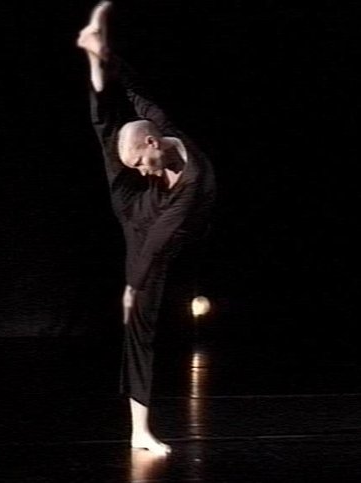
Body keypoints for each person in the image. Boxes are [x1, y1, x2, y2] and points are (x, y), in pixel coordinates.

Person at [76, 1, 216, 455]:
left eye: (141, 161)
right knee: (105, 127)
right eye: (136, 165)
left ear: (154, 142)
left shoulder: (193, 179)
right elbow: (136, 90)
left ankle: (95, 54)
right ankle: (140, 429)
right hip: (138, 218)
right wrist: (109, 59)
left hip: (160, 224)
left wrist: (132, 285)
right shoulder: (156, 132)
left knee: (144, 296)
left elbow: (160, 239)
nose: (140, 169)